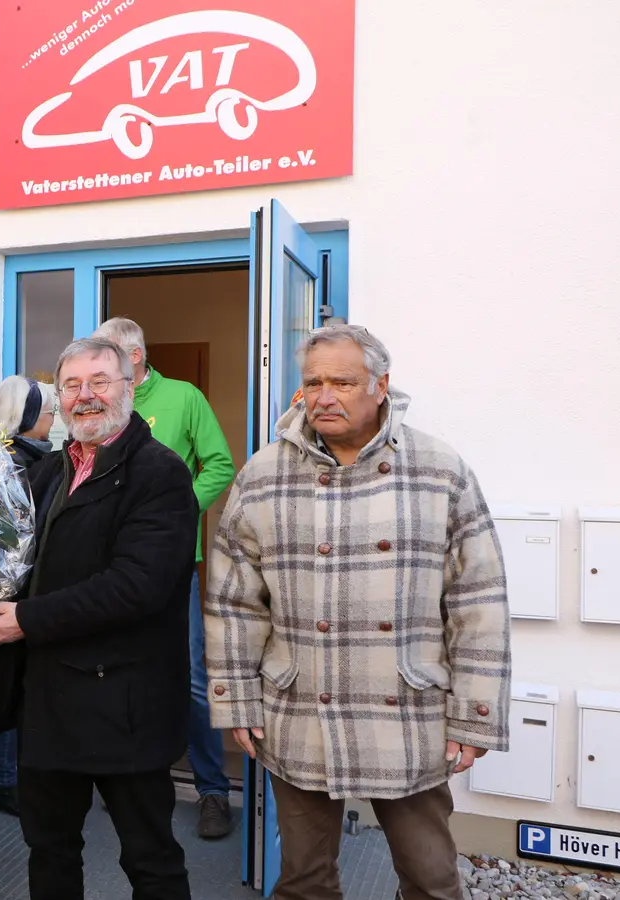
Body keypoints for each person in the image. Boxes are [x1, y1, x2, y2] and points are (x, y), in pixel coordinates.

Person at [205, 324, 511, 900]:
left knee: (431, 879)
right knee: (303, 881)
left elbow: (478, 600)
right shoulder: (264, 473)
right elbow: (234, 601)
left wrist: (474, 715)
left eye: (342, 382)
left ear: (380, 385)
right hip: (297, 708)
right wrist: (235, 700)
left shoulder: (438, 469)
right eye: (313, 382)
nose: (324, 396)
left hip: (409, 710)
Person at [0, 337, 199, 900]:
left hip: (124, 705)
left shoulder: (159, 473)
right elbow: (15, 558)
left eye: (100, 381)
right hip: (47, 701)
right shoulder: (48, 472)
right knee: (50, 852)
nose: (85, 396)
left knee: (149, 858)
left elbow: (136, 587)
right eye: (71, 385)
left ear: (130, 386)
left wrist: (26, 618)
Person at [91, 316, 237, 839]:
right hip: (104, 564)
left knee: (193, 680)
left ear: (134, 357)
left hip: (171, 562)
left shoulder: (183, 397)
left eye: (107, 358)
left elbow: (219, 465)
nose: (96, 374)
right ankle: (122, 776)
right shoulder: (100, 403)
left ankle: (213, 791)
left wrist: (174, 512)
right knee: (118, 669)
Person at [0, 374, 59, 817]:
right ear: (26, 418)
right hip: (12, 590)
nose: (55, 418)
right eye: (48, 412)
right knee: (12, 682)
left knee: (9, 680)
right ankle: (4, 781)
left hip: (4, 587)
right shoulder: (16, 462)